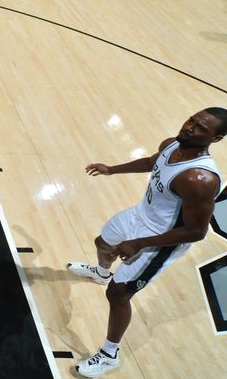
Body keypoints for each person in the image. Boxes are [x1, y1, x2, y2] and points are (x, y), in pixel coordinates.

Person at [69, 108, 226, 378]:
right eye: (192, 120)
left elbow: (196, 231)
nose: (190, 127)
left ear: (217, 138)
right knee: (102, 243)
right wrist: (111, 170)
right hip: (140, 215)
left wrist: (140, 242)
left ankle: (109, 354)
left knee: (118, 294)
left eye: (201, 128)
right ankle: (101, 273)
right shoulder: (172, 144)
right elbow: (151, 163)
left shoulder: (199, 179)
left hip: (162, 240)